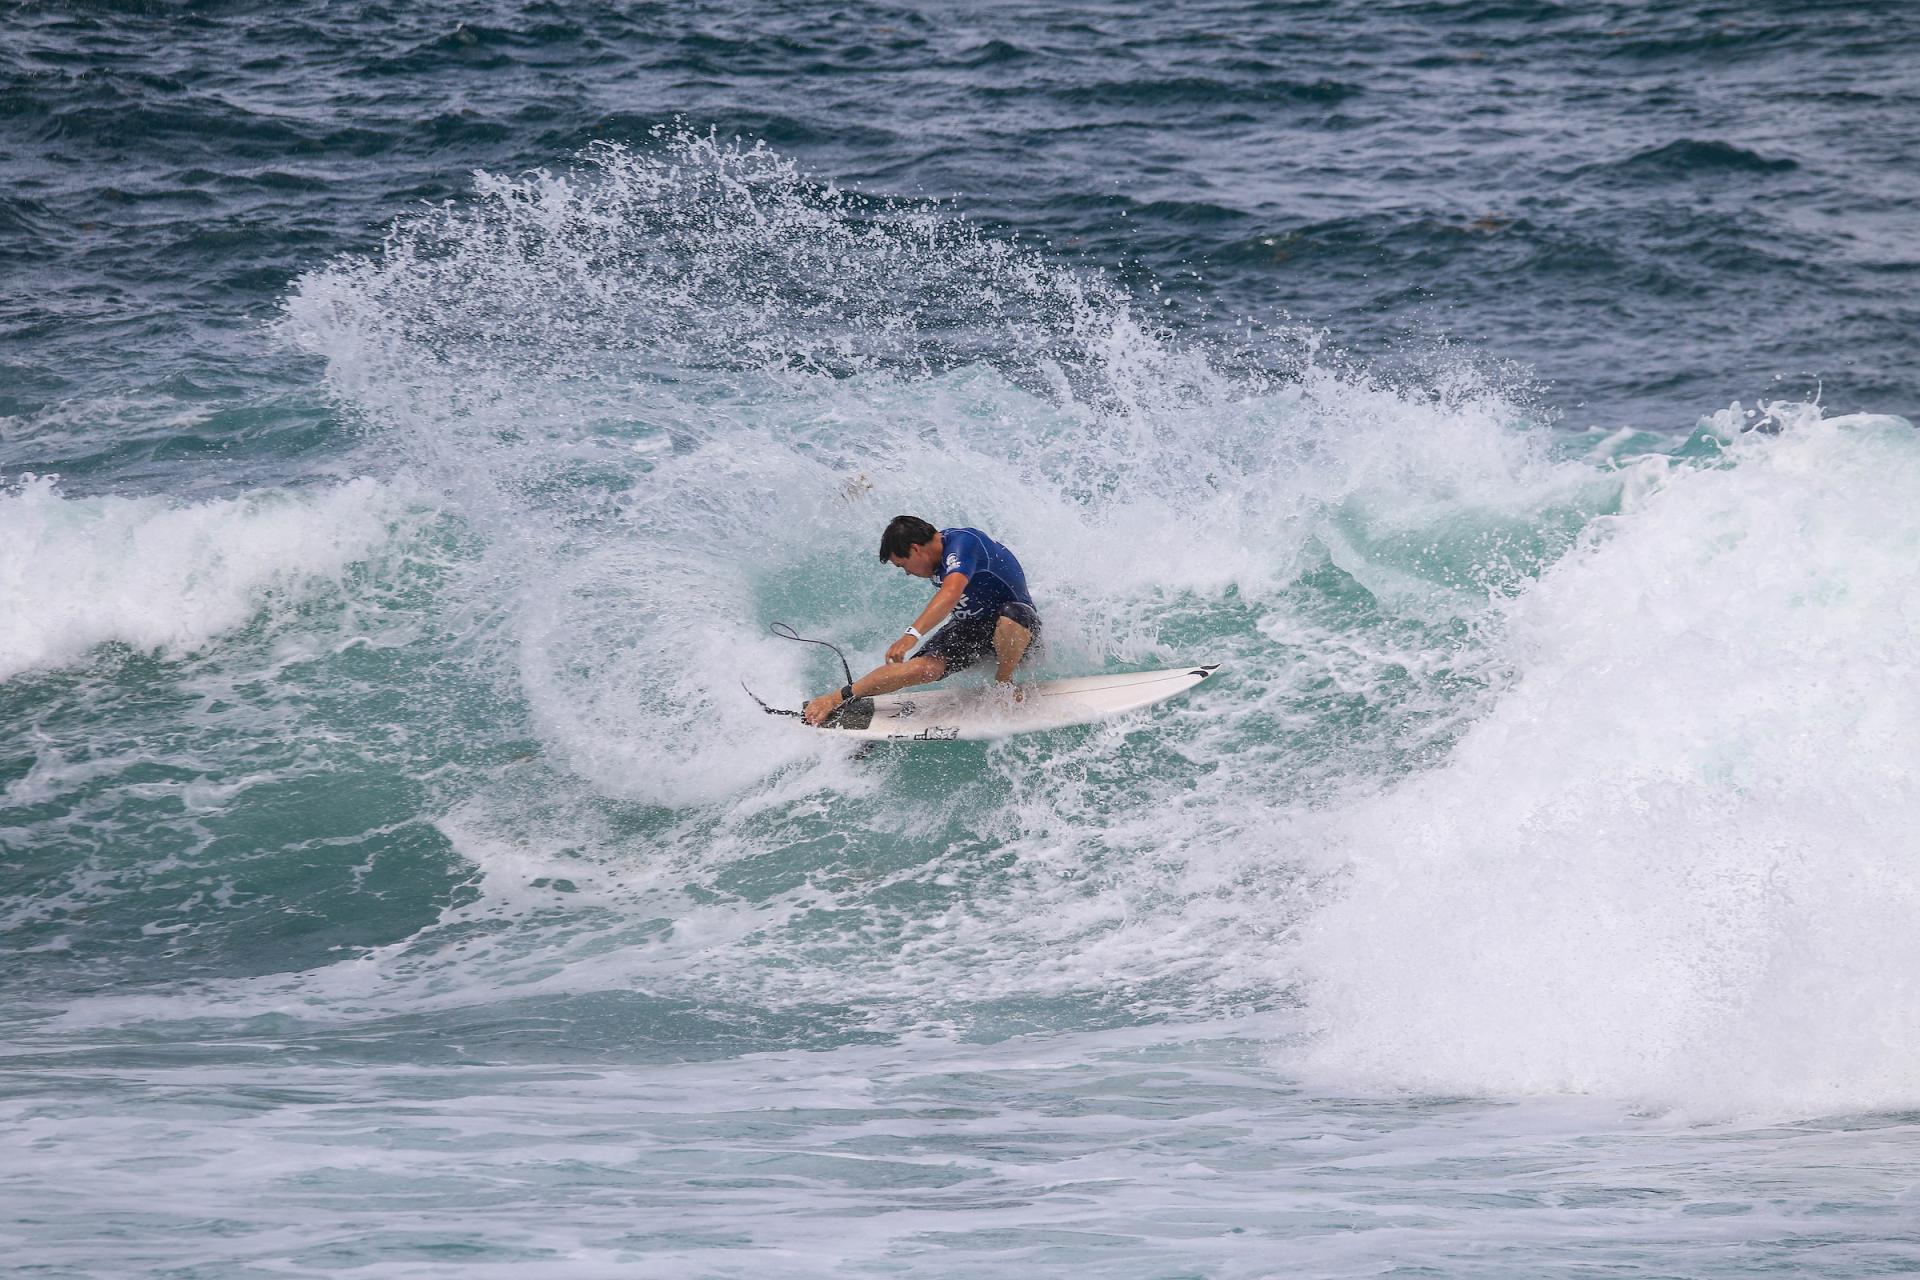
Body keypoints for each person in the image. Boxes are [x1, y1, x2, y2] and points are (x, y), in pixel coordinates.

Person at [803, 515, 1041, 726]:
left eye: (903, 565)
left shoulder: (964, 544)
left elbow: (951, 593)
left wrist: (911, 636)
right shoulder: (937, 555)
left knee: (1011, 617)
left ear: (915, 549)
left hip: (1019, 628)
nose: (907, 573)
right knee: (920, 669)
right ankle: (837, 697)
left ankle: (1004, 681)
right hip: (971, 628)